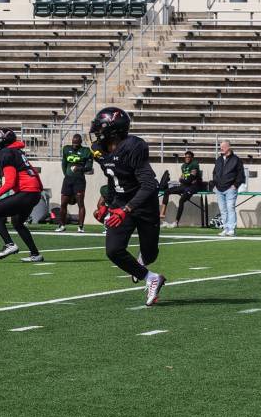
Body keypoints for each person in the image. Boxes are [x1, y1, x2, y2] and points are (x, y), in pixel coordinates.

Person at [91, 106, 166, 306]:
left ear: (113, 129)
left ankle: (143, 262)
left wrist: (126, 209)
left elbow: (150, 185)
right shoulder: (98, 150)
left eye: (101, 127)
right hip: (120, 203)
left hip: (143, 203)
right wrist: (106, 204)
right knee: (113, 250)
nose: (96, 131)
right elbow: (111, 177)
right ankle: (151, 278)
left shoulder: (133, 146)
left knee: (150, 253)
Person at [0, 129, 44, 262]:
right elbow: (33, 172)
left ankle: (9, 244)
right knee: (17, 222)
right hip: (34, 193)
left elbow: (10, 182)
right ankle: (35, 254)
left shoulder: (6, 152)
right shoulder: (16, 151)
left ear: (3, 141)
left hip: (27, 192)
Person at [56, 134, 93, 234]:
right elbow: (64, 164)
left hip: (79, 180)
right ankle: (62, 225)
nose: (74, 146)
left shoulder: (86, 151)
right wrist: (66, 174)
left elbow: (89, 167)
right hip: (68, 180)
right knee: (63, 203)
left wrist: (79, 169)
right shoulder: (66, 149)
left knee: (80, 203)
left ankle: (80, 226)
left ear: (80, 142)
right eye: (73, 143)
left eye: (76, 144)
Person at [160, 151, 203, 227]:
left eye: (189, 157)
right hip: (185, 185)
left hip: (193, 187)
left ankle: (176, 222)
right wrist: (184, 180)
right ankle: (162, 214)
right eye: (186, 157)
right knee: (167, 191)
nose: (187, 158)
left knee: (181, 200)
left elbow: (189, 179)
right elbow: (185, 179)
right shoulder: (183, 166)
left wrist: (183, 180)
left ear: (192, 158)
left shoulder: (194, 164)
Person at [212, 140, 245, 237]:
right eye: (220, 147)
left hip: (230, 189)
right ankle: (225, 228)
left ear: (228, 147)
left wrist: (235, 185)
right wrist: (215, 183)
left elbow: (241, 174)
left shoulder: (236, 160)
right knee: (223, 210)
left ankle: (231, 229)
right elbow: (214, 173)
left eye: (223, 147)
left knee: (230, 208)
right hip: (219, 188)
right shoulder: (219, 159)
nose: (221, 148)